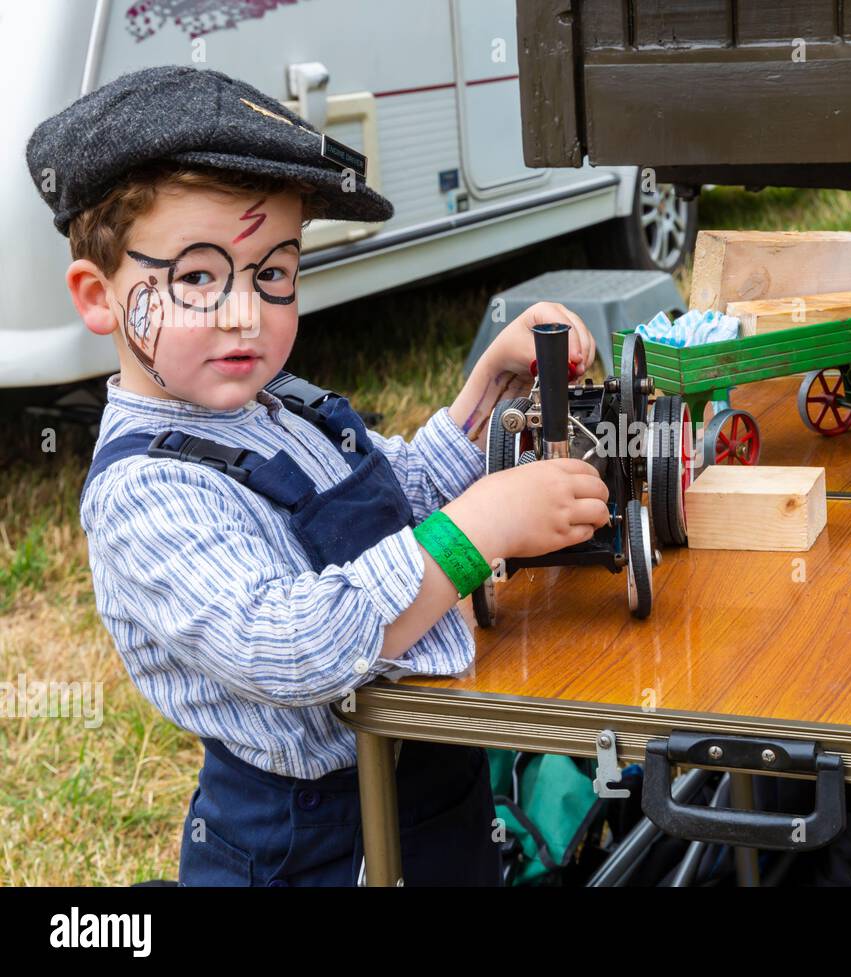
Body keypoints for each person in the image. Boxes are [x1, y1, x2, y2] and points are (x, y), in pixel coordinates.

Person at [26, 65, 611, 885]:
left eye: (273, 274)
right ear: (99, 296)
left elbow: (402, 490)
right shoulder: (144, 495)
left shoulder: (281, 405)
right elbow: (295, 645)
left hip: (426, 782)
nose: (245, 313)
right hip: (306, 837)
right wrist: (477, 530)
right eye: (197, 276)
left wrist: (491, 389)